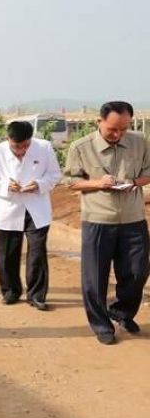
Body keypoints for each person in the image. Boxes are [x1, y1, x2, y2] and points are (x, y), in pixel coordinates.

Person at [64, 101, 150, 345]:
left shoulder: (140, 142)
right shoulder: (81, 147)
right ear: (99, 122)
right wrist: (98, 183)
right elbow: (70, 181)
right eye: (112, 129)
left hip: (133, 218)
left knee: (137, 272)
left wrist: (133, 182)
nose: (118, 134)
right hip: (98, 220)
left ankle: (122, 312)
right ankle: (101, 325)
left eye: (124, 129)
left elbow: (148, 172)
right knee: (94, 277)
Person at [0, 121, 62, 310]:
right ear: (8, 139)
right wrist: (6, 186)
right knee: (7, 253)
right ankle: (10, 291)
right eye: (16, 146)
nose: (21, 151)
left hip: (37, 208)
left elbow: (54, 175)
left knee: (37, 252)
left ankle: (36, 295)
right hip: (8, 208)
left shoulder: (44, 148)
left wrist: (39, 184)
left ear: (31, 139)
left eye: (25, 146)